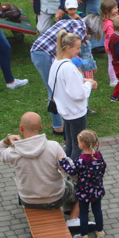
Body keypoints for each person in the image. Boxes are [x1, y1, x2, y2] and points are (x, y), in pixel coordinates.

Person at [0, 111, 77, 222]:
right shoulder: (54, 146)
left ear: (21, 128)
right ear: (40, 127)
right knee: (76, 188)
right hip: (55, 198)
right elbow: (70, 172)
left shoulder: (14, 152)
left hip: (28, 200)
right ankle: (73, 217)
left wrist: (8, 138)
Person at [29, 12, 101, 134]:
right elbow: (74, 54)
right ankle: (58, 126)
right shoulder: (81, 31)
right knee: (53, 89)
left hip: (38, 52)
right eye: (91, 34)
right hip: (43, 54)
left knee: (55, 87)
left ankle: (61, 120)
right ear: (90, 29)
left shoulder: (73, 22)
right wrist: (81, 77)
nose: (89, 36)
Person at [49, 30, 95, 160]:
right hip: (76, 111)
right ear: (68, 48)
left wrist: (83, 81)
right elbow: (78, 94)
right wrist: (88, 84)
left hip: (65, 109)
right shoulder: (69, 68)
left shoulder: (57, 62)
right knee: (78, 145)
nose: (79, 51)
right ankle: (74, 173)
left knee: (69, 143)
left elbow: (54, 83)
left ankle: (65, 167)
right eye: (78, 48)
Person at [58, 130, 106, 238]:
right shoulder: (98, 156)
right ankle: (100, 231)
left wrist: (63, 161)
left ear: (82, 145)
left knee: (84, 213)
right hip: (97, 189)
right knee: (97, 210)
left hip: (84, 191)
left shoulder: (81, 160)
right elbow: (103, 168)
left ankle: (83, 235)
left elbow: (71, 171)